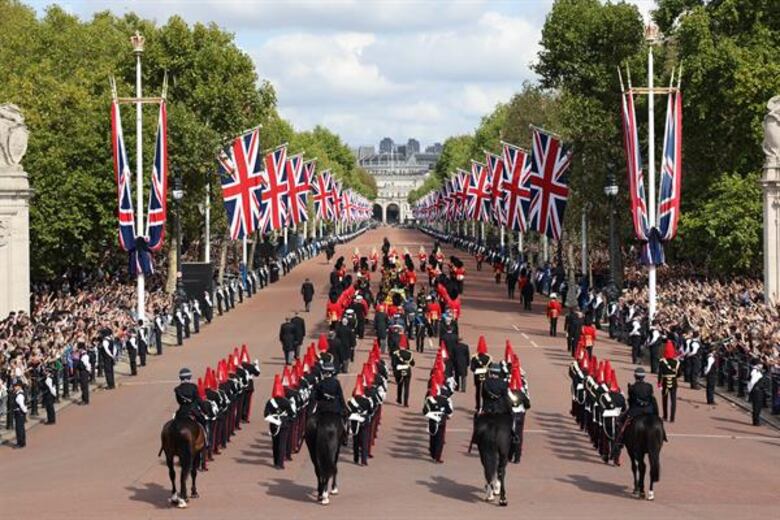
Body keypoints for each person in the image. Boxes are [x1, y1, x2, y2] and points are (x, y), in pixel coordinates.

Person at [264, 374, 295, 469]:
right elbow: (292, 414)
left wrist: (275, 421)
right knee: (282, 443)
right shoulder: (286, 402)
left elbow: (266, 415)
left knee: (275, 443)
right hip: (284, 423)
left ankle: (275, 461)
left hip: (273, 424)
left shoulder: (270, 402)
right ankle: (280, 463)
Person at [423, 380, 453, 463]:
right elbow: (449, 411)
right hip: (441, 421)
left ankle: (433, 453)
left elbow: (425, 411)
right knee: (440, 439)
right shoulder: (443, 399)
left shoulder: (429, 400)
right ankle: (437, 457)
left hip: (432, 420)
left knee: (432, 437)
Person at [347, 378, 373, 465]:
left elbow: (349, 411)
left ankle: (356, 458)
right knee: (364, 441)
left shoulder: (351, 401)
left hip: (355, 422)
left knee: (356, 441)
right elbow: (370, 411)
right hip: (364, 421)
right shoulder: (367, 401)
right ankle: (364, 460)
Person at [658, 341, 680, 422]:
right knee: (673, 400)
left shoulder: (662, 362)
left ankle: (665, 416)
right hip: (674, 382)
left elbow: (660, 373)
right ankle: (672, 418)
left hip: (665, 382)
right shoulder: (677, 362)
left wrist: (659, 382)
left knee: (665, 399)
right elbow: (679, 374)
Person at [470, 336, 492, 410]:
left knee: (478, 392)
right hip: (485, 376)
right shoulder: (488, 358)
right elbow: (491, 368)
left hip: (477, 377)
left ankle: (478, 406)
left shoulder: (474, 358)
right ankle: (485, 406)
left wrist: (478, 370)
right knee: (486, 392)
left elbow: (472, 368)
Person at [392, 338, 415, 407]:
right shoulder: (409, 354)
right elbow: (413, 363)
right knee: (407, 387)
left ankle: (399, 399)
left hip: (399, 371)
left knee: (399, 385)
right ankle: (406, 402)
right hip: (407, 371)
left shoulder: (396, 353)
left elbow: (393, 364)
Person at [12, 380, 27, 448]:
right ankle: (22, 442)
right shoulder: (18, 393)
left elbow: (21, 405)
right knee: (21, 428)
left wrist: (24, 411)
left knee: (19, 428)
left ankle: (20, 443)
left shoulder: (19, 395)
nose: (15, 387)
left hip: (19, 412)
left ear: (19, 386)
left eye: (16, 386)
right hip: (20, 412)